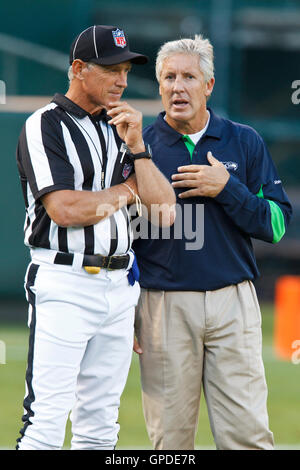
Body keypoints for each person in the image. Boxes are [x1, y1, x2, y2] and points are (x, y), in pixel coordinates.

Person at [15, 24, 175, 451]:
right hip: (64, 282)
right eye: (110, 69)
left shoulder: (121, 128)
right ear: (79, 68)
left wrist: (139, 147)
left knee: (101, 429)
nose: (121, 80)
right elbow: (65, 210)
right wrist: (126, 192)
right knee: (45, 425)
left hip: (119, 287)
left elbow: (163, 212)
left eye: (125, 70)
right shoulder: (44, 125)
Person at [133, 34, 292, 450]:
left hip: (232, 302)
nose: (177, 87)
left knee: (248, 437)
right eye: (168, 77)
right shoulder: (139, 148)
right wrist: (129, 308)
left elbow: (276, 226)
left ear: (209, 86)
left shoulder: (245, 141)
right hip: (162, 305)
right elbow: (123, 238)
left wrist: (227, 187)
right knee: (169, 441)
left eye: (188, 76)